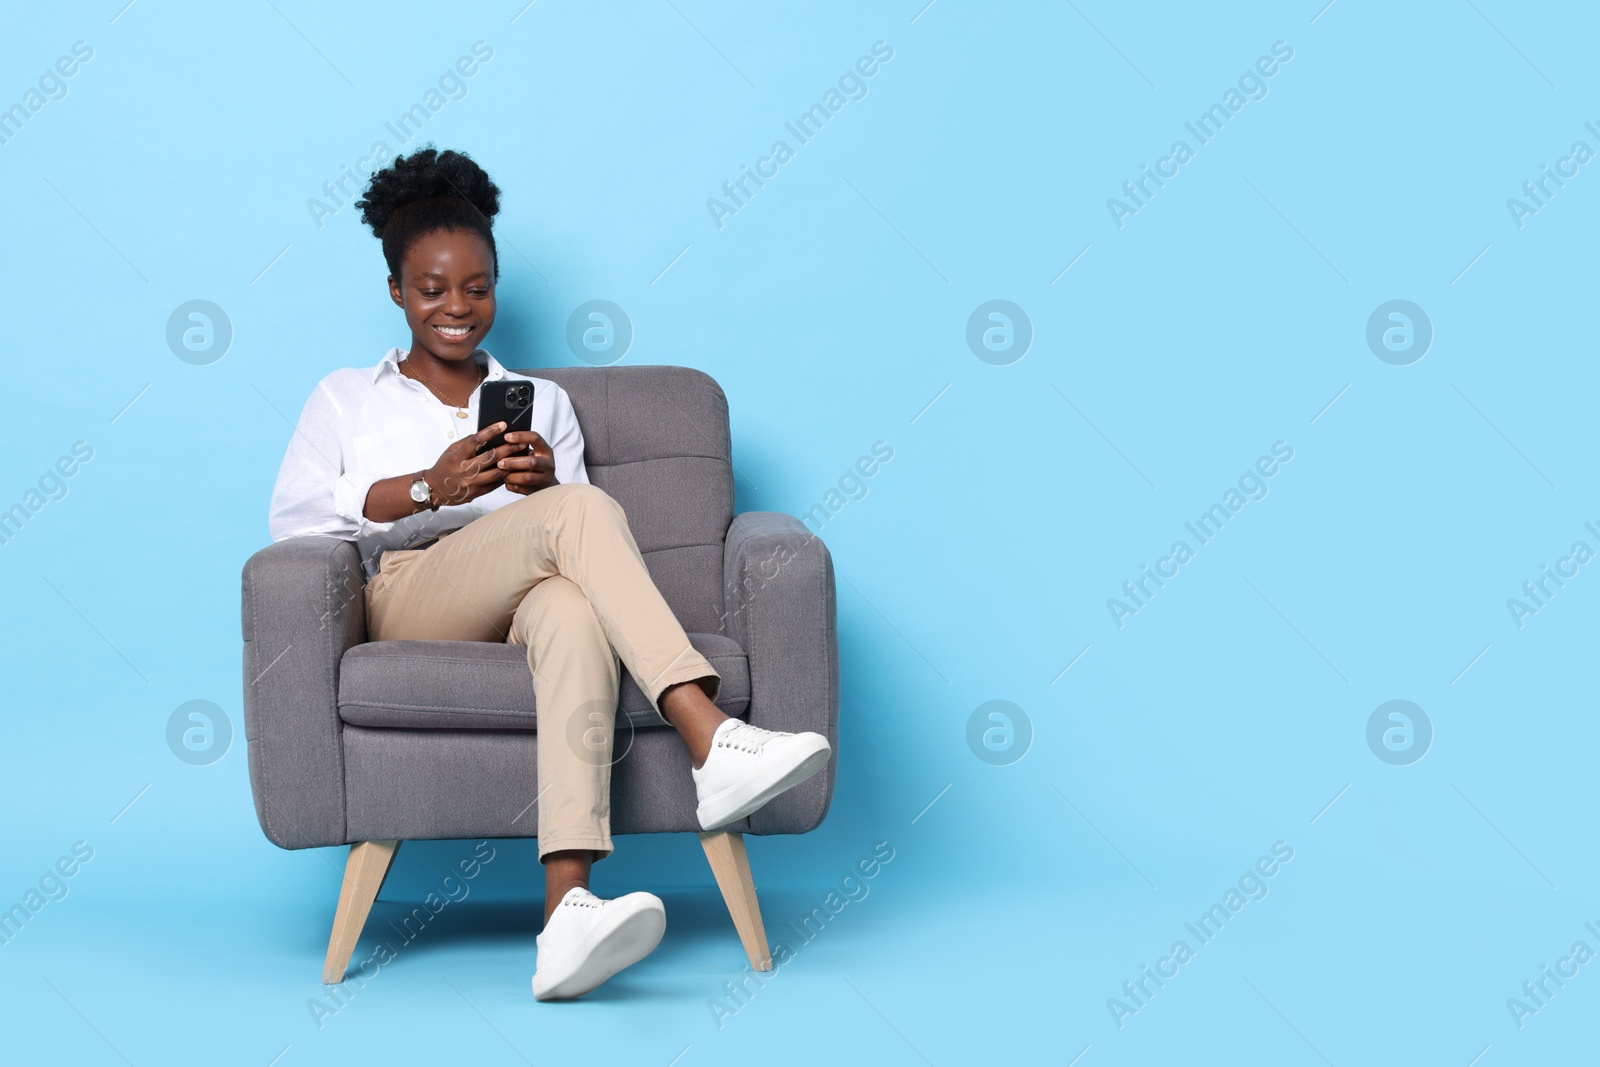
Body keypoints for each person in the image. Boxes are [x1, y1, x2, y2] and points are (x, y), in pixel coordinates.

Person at [267, 147, 829, 1001]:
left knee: (569, 602)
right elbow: (293, 523)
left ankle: (567, 915)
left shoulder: (542, 400)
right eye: (432, 289)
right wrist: (429, 486)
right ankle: (707, 733)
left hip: (526, 596)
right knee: (573, 519)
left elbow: (586, 538)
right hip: (410, 593)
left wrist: (543, 487)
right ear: (396, 291)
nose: (458, 308)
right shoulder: (347, 396)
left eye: (477, 287)